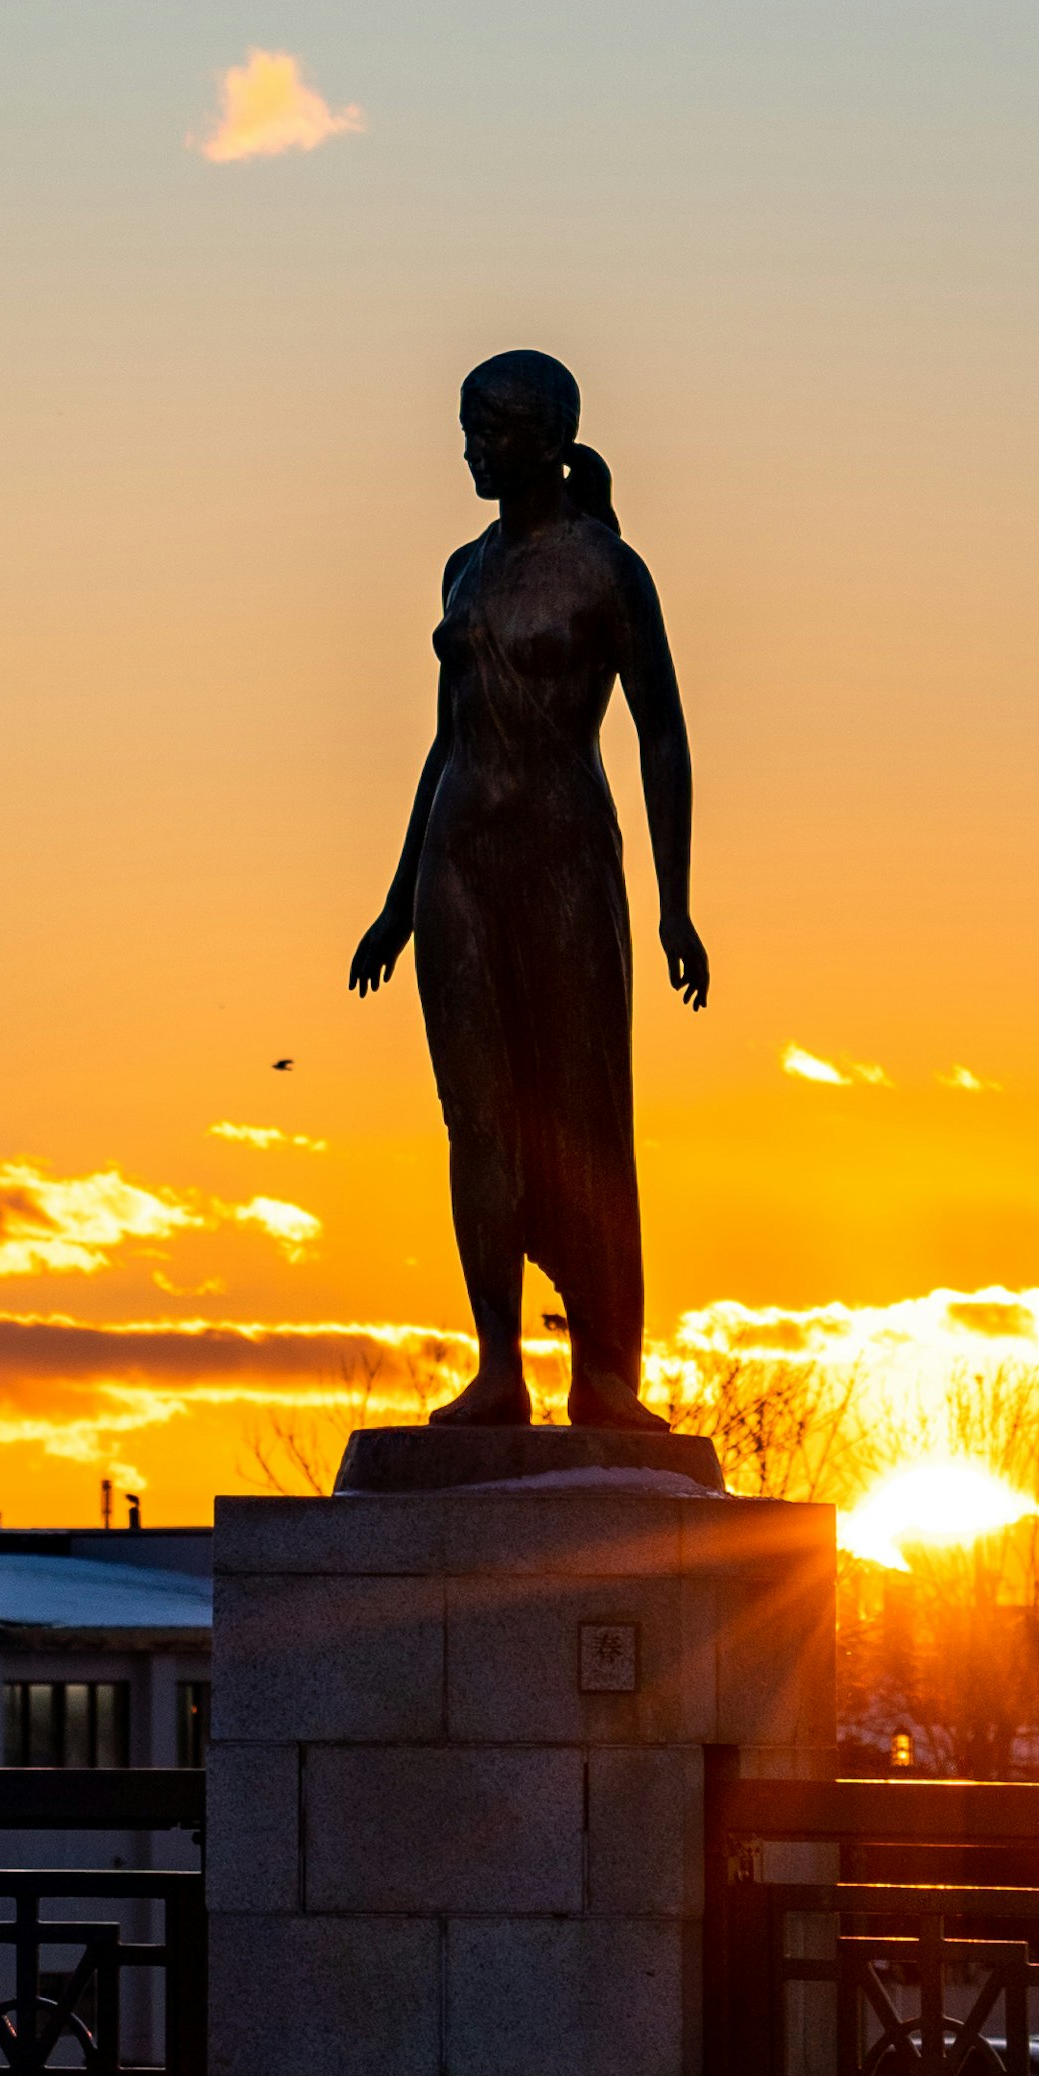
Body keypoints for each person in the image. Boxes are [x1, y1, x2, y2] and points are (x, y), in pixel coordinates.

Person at [349, 350, 708, 1432]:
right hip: (464, 860)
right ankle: (497, 1364)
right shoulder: (462, 567)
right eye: (466, 426)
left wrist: (675, 902)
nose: (470, 447)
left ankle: (601, 1373)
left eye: (490, 427)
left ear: (546, 436)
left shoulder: (608, 569)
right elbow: (446, 737)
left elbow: (663, 734)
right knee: (480, 1116)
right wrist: (400, 895)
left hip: (562, 859)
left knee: (582, 1116)